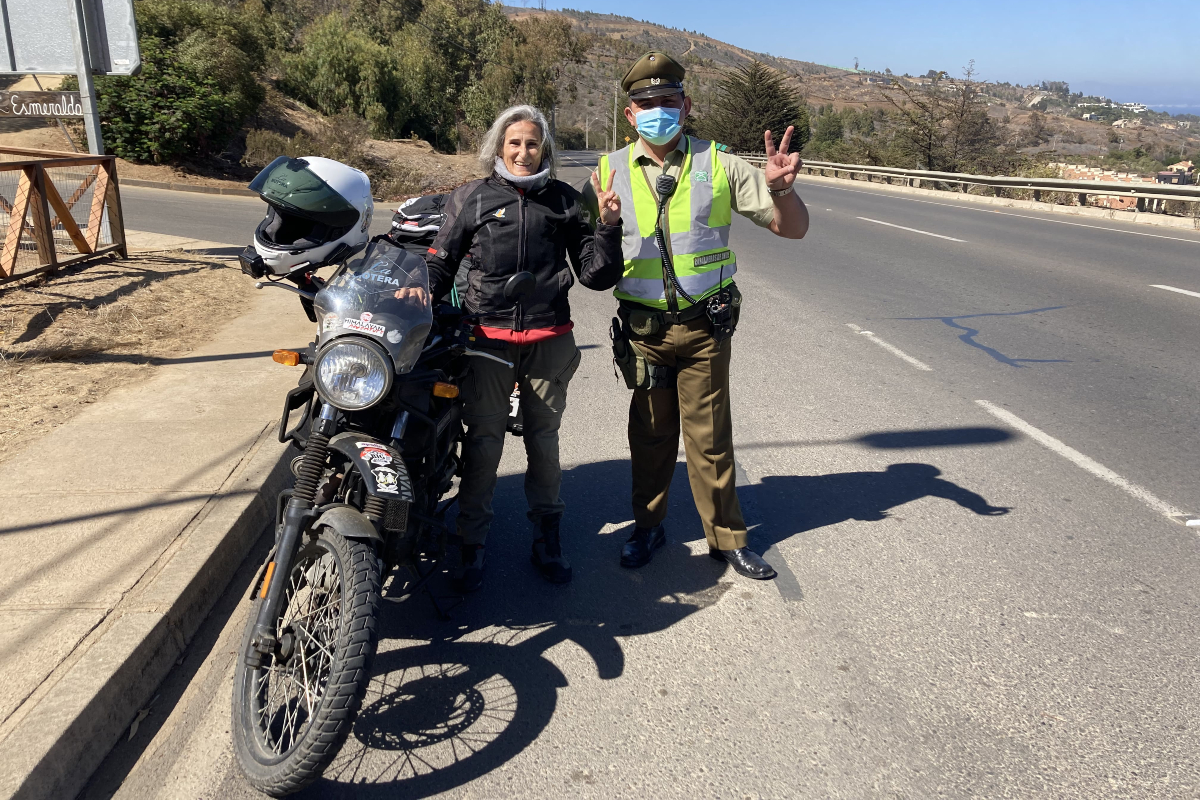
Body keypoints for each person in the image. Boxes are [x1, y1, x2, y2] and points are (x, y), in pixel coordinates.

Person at [585, 51, 809, 580]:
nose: (658, 111)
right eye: (647, 104)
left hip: (705, 327)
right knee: (650, 436)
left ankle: (727, 538)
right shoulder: (607, 170)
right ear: (630, 115)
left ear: (686, 107)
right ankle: (648, 527)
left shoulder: (719, 163)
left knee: (709, 439)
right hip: (643, 333)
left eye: (668, 101)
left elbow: (792, 228)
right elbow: (580, 249)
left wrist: (782, 188)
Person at [426, 104, 624, 592]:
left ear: (544, 150)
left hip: (548, 339)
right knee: (483, 443)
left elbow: (596, 275)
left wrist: (608, 226)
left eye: (532, 143)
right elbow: (440, 263)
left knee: (544, 441)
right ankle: (471, 543)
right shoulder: (471, 198)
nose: (522, 151)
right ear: (499, 146)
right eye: (514, 142)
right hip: (486, 340)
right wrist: (416, 297)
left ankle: (547, 539)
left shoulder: (563, 201)